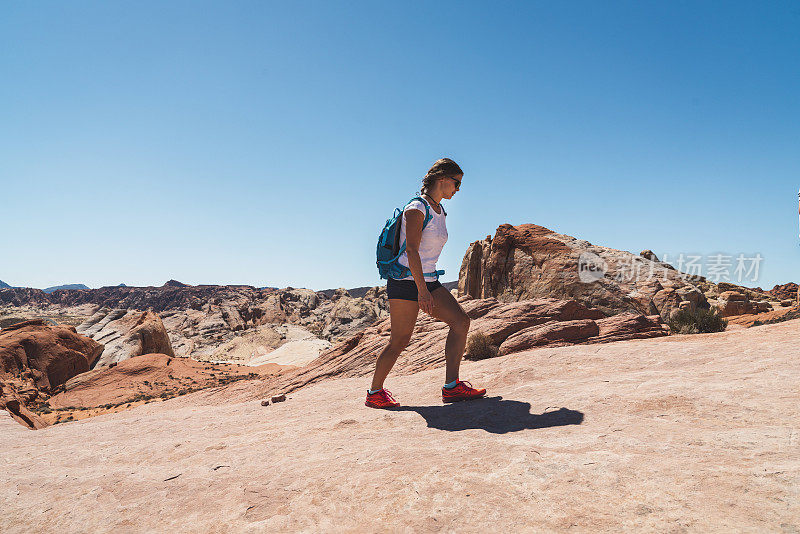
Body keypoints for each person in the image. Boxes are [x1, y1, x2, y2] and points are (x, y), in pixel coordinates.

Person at [366, 158, 487, 408]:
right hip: (405, 282)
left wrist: (426, 286)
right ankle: (374, 392)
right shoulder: (416, 208)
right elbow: (411, 250)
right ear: (442, 179)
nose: (458, 189)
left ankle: (451, 388)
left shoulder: (440, 210)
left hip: (429, 279)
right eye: (457, 184)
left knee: (461, 322)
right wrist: (422, 291)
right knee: (400, 340)